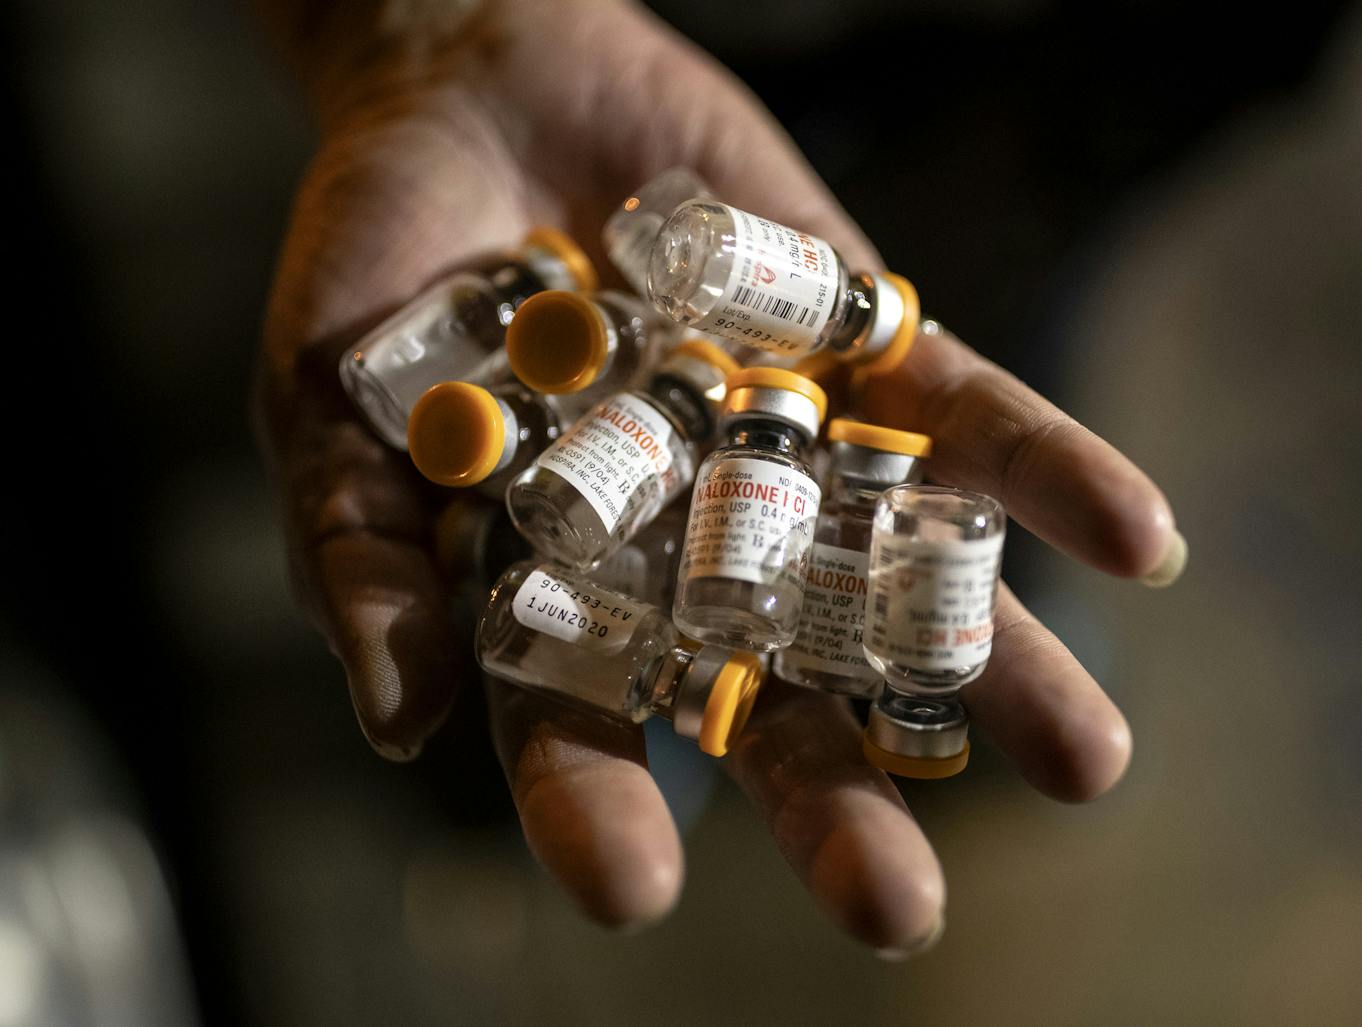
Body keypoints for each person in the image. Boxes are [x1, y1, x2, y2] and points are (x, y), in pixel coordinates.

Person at [252, 0, 1183, 957]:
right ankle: (648, 775)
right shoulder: (652, 356)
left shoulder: (722, 396)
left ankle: (726, 751)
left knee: (981, 460)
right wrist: (439, 31)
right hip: (900, 78)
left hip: (1061, 89)